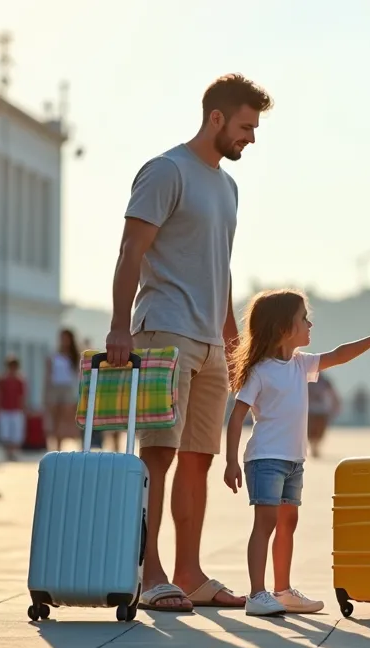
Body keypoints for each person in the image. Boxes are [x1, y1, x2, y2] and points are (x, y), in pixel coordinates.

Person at [104, 73, 273, 612]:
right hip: (165, 330)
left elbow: (220, 265)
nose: (251, 137)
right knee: (158, 455)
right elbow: (131, 251)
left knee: (199, 458)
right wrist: (119, 325)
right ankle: (149, 572)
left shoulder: (228, 187)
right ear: (215, 118)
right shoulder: (166, 171)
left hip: (210, 343)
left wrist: (233, 339)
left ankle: (189, 573)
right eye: (245, 126)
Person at [222, 289, 370, 616]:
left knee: (288, 522)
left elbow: (339, 355)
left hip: (293, 460)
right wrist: (231, 461)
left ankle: (283, 591)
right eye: (303, 318)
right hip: (265, 459)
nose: (309, 324)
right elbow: (236, 418)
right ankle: (257, 594)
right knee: (266, 522)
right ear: (283, 328)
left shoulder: (301, 364)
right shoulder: (260, 371)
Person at [44, 329, 81, 452]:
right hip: (55, 388)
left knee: (66, 418)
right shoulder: (54, 356)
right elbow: (48, 375)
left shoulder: (74, 356)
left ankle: (67, 444)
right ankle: (55, 446)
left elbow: (78, 375)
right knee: (54, 418)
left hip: (68, 388)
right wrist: (46, 392)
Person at [0, 355, 27, 462]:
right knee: (5, 432)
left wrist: (23, 408)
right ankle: (7, 452)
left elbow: (22, 396)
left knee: (15, 433)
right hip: (5, 409)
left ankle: (13, 452)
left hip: (16, 409)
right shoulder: (2, 379)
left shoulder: (20, 380)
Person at [305, 373, 339, 459]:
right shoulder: (307, 379)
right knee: (310, 431)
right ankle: (313, 446)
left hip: (321, 410)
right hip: (309, 410)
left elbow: (332, 394)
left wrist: (335, 405)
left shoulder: (325, 381)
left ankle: (315, 446)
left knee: (319, 431)